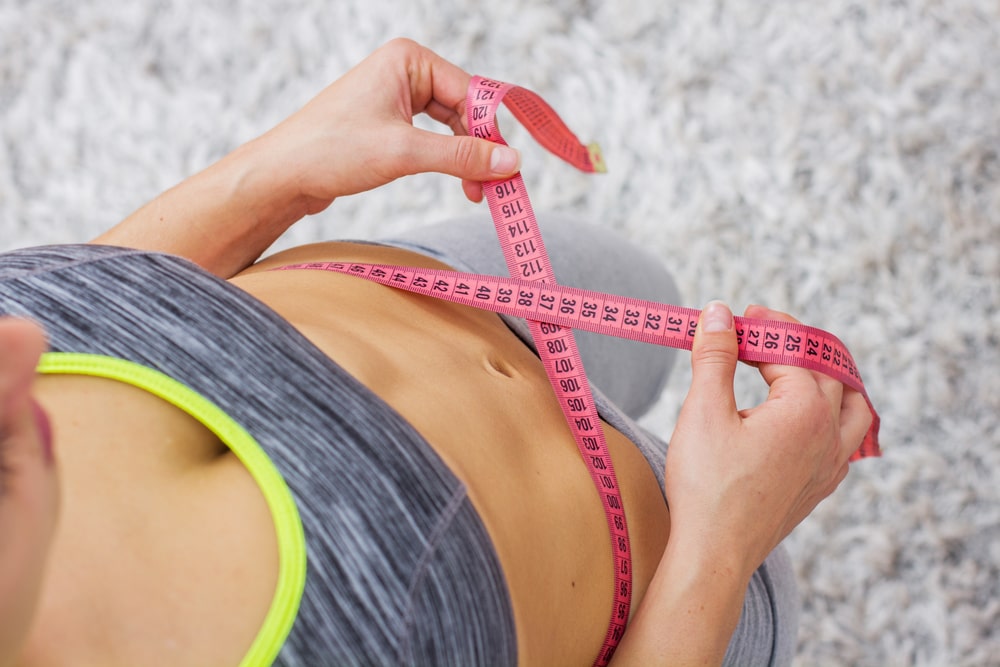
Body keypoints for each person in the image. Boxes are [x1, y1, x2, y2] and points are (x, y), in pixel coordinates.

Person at [0, 38, 871, 667]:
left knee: (646, 277)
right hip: (659, 573)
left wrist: (275, 175)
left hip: (455, 280)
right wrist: (721, 547)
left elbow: (89, 300)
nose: (13, 362)